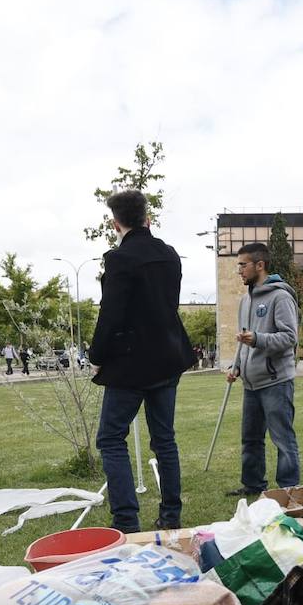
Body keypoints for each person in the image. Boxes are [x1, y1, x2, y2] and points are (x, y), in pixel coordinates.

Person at [87, 190, 196, 533]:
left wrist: (97, 356)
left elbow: (111, 314)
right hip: (167, 356)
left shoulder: (120, 260)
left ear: (114, 222)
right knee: (164, 439)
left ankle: (126, 521)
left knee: (110, 439)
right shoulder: (170, 255)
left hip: (131, 364)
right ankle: (171, 514)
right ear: (148, 218)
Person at [225, 243, 301, 497]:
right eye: (238, 265)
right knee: (251, 439)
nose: (239, 271)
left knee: (282, 439)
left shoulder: (280, 297)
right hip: (251, 383)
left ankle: (288, 489)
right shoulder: (245, 300)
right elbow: (244, 342)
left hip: (276, 382)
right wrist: (236, 367)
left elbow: (289, 337)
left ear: (260, 265)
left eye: (242, 265)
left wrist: (257, 339)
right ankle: (253, 484)